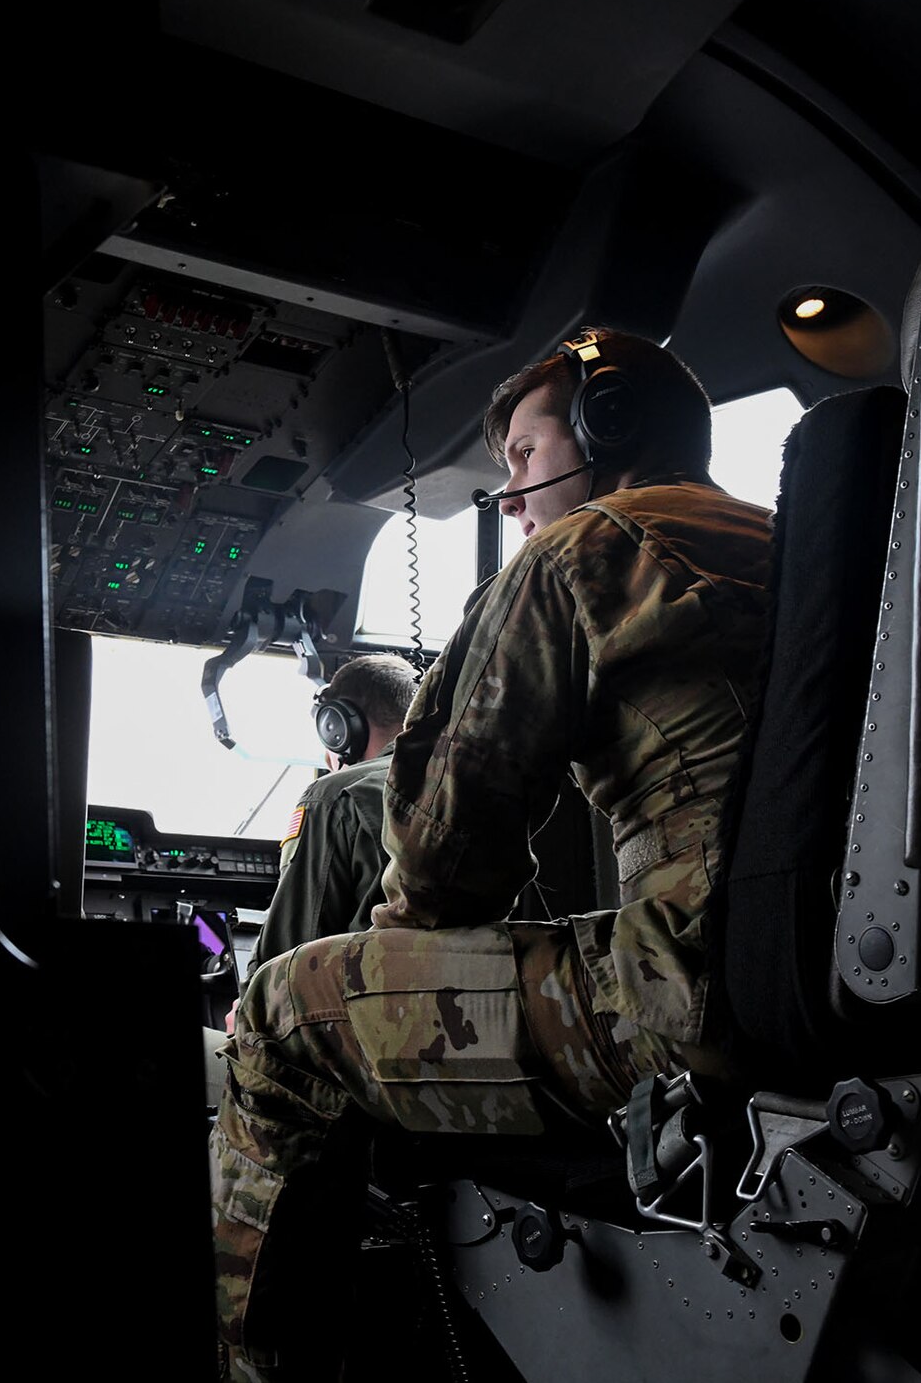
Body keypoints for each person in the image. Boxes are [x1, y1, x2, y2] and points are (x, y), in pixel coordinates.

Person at [209, 328, 776, 1381]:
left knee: (284, 1022)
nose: (510, 496)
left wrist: (375, 975)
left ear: (608, 428)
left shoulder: (585, 548)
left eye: (521, 455)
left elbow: (439, 855)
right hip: (821, 1001)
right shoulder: (797, 547)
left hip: (678, 1005)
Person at [200, 652, 420, 1109]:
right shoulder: (478, 791)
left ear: (338, 727)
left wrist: (247, 1011)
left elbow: (287, 960)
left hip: (359, 1063)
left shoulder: (338, 796)